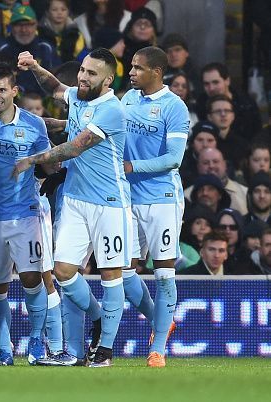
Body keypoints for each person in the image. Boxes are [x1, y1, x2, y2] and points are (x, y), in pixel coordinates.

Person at [15, 48, 131, 367]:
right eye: (82, 70)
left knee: (111, 276)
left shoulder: (111, 109)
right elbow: (54, 87)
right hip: (77, 201)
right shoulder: (78, 95)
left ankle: (104, 351)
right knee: (63, 271)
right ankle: (97, 319)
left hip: (109, 204)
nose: (83, 77)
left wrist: (32, 159)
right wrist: (35, 65)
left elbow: (74, 147)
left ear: (107, 79)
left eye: (91, 73)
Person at [0, 62, 56, 366]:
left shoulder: (34, 124)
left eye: (1, 89)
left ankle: (37, 341)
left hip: (25, 211)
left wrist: (52, 164)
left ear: (14, 91)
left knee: (32, 277)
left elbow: (48, 162)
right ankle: (3, 346)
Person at [121, 46, 189, 367]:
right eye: (131, 67)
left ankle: (158, 349)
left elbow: (174, 158)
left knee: (163, 274)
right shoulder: (128, 100)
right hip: (128, 198)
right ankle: (160, 319)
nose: (131, 72)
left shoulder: (174, 107)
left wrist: (133, 167)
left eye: (137, 68)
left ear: (156, 72)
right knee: (121, 272)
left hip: (162, 200)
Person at [0, 4, 60, 95]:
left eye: (28, 25)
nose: (24, 30)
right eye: (19, 25)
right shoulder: (1, 49)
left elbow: (57, 79)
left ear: (36, 25)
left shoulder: (47, 48)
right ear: (11, 27)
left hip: (42, 103)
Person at [196, 62, 262, 141]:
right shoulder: (201, 104)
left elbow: (257, 133)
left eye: (215, 82)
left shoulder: (246, 104)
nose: (211, 88)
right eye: (206, 84)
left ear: (227, 81)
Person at [184, 148, 249, 215]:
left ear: (225, 165)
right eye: (206, 163)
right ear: (198, 166)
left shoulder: (245, 193)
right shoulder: (185, 196)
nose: (211, 166)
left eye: (215, 161)